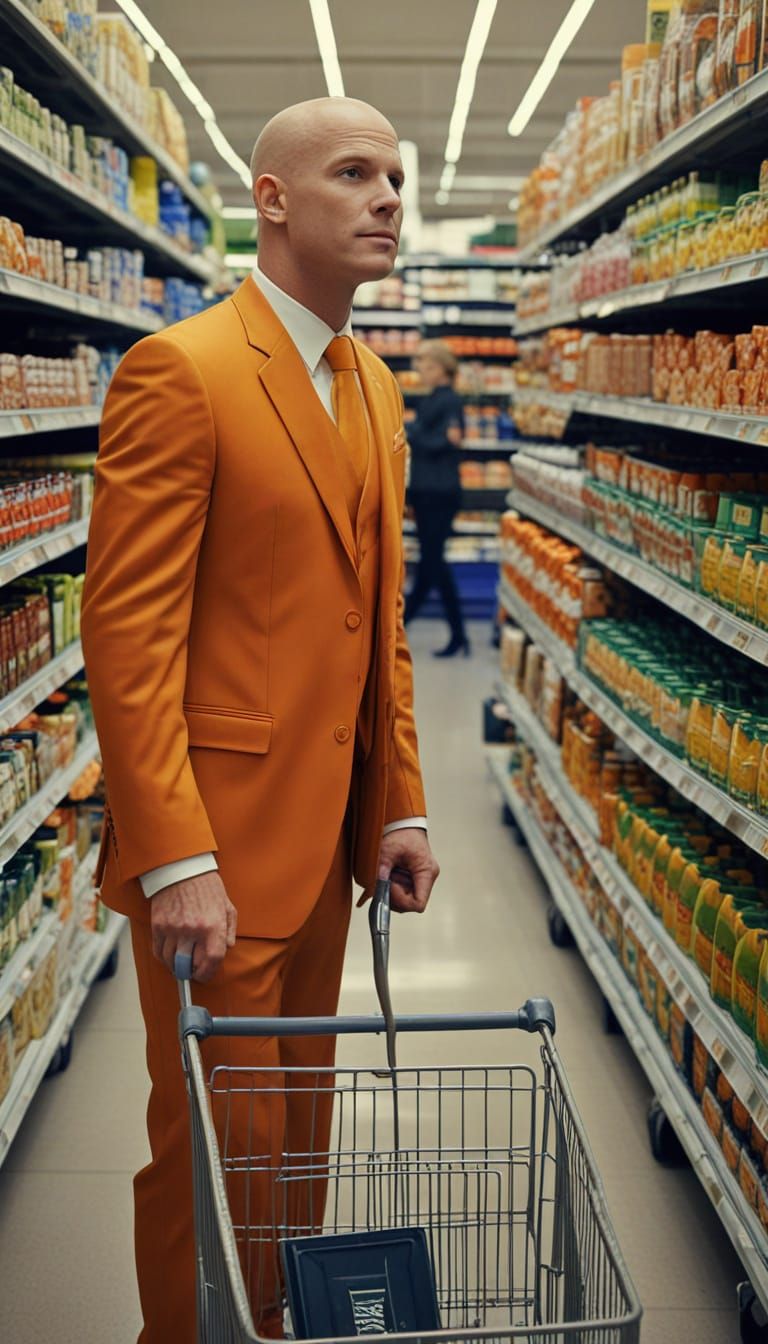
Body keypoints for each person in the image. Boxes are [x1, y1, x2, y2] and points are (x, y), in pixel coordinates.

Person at [80, 96, 440, 1344]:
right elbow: (129, 637)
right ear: (273, 200)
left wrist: (398, 802)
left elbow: (375, 624)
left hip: (326, 853)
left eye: (397, 175)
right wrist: (173, 857)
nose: (390, 195)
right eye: (355, 172)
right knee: (207, 1157)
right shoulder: (181, 371)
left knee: (292, 1150)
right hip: (215, 866)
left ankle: (272, 1327)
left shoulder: (374, 386)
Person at [403, 340, 470, 657]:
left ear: (443, 368)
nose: (421, 372)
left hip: (439, 493)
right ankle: (458, 635)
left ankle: (399, 625)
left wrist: (412, 433)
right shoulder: (432, 400)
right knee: (435, 564)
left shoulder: (450, 401)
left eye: (427, 366)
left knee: (431, 564)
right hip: (427, 491)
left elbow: (447, 441)